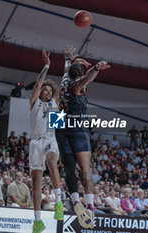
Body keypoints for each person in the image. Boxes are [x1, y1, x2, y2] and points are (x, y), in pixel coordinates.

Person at [56, 45, 110, 229]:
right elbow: (86, 78)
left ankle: (75, 202)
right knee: (85, 169)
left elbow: (66, 70)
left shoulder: (64, 80)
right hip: (77, 128)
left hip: (61, 126)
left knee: (70, 168)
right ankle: (90, 205)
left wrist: (69, 58)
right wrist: (96, 68)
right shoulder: (77, 85)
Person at [29, 50, 64, 233]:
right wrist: (47, 66)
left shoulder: (54, 104)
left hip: (50, 139)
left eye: (50, 90)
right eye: (46, 89)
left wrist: (69, 63)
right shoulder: (35, 102)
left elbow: (63, 85)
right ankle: (37, 222)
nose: (48, 91)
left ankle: (58, 202)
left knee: (51, 162)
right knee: (36, 182)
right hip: (35, 142)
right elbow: (37, 84)